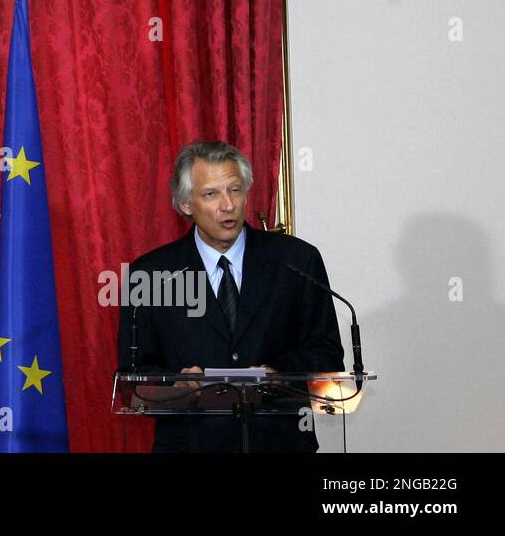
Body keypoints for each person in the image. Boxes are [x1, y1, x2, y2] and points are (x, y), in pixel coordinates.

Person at [117, 141, 345, 452]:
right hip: (192, 445)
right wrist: (175, 382)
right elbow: (133, 374)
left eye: (235, 190)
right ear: (186, 204)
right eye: (211, 194)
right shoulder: (154, 274)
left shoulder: (295, 261)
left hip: (280, 444)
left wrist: (276, 373)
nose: (228, 205)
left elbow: (327, 351)